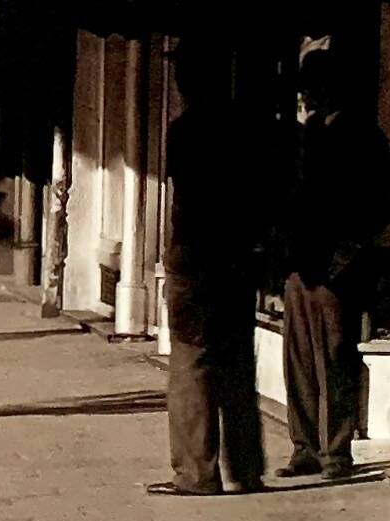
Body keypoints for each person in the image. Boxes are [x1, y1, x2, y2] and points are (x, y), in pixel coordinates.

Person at [278, 48, 390, 481]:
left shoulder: (362, 135)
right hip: (299, 264)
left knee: (333, 359)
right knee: (297, 360)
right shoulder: (305, 135)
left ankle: (335, 451)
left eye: (314, 87)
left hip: (337, 267)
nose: (307, 96)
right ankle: (305, 447)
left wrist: (352, 243)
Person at [154, 44, 266, 496]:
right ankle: (246, 468)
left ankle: (197, 472)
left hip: (197, 261)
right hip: (237, 260)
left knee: (191, 364)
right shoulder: (247, 128)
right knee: (237, 365)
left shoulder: (186, 131)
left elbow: (185, 194)